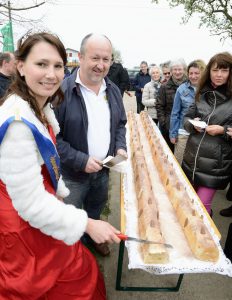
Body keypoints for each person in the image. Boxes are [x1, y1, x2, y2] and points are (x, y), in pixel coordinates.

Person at [0, 32, 121, 299]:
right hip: (23, 222)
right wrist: (87, 224)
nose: (52, 74)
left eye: (57, 66)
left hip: (41, 204)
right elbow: (30, 203)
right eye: (41, 64)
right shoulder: (18, 122)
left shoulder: (38, 105)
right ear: (20, 66)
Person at [55, 33, 127, 257]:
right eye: (95, 58)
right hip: (72, 176)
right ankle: (73, 252)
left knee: (95, 208)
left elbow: (120, 125)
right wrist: (81, 160)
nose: (101, 65)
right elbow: (50, 139)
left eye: (106, 59)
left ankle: (92, 238)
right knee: (70, 218)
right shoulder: (61, 92)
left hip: (103, 171)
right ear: (81, 57)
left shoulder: (112, 90)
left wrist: (120, 147)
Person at [182, 52, 232, 215]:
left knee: (202, 207)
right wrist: (192, 125)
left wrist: (222, 130)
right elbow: (186, 118)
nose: (219, 75)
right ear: (209, 71)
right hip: (192, 158)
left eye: (224, 71)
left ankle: (206, 239)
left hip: (215, 164)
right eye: (215, 70)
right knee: (190, 203)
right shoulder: (201, 93)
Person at [169, 60, 206, 164]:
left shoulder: (208, 89)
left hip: (202, 134)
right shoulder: (181, 89)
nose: (193, 76)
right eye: (191, 73)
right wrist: (173, 133)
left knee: (196, 164)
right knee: (179, 163)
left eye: (197, 73)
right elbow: (175, 113)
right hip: (183, 133)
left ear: (203, 73)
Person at [156, 58, 187, 152]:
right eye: (175, 69)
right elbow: (159, 106)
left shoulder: (189, 85)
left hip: (186, 126)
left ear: (184, 70)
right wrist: (164, 123)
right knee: (170, 152)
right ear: (171, 71)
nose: (177, 72)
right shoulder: (164, 87)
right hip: (169, 126)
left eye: (180, 69)